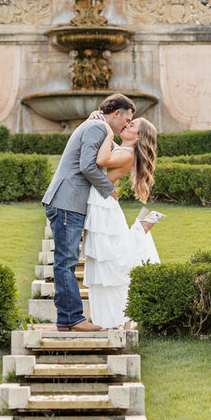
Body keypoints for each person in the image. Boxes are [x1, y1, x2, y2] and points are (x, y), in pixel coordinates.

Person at [41, 93, 134, 331]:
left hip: (69, 202)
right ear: (117, 113)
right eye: (127, 120)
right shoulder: (97, 128)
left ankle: (68, 319)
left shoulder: (98, 126)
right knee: (66, 261)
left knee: (66, 260)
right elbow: (87, 166)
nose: (126, 125)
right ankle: (71, 319)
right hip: (66, 202)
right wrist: (108, 188)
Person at [81, 113, 161, 329]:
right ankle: (114, 319)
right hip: (101, 202)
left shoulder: (127, 154)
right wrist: (95, 121)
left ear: (138, 136)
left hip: (103, 206)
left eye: (132, 124)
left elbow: (100, 160)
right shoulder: (123, 149)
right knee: (105, 259)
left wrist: (106, 129)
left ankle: (143, 227)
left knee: (112, 259)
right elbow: (105, 149)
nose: (126, 124)